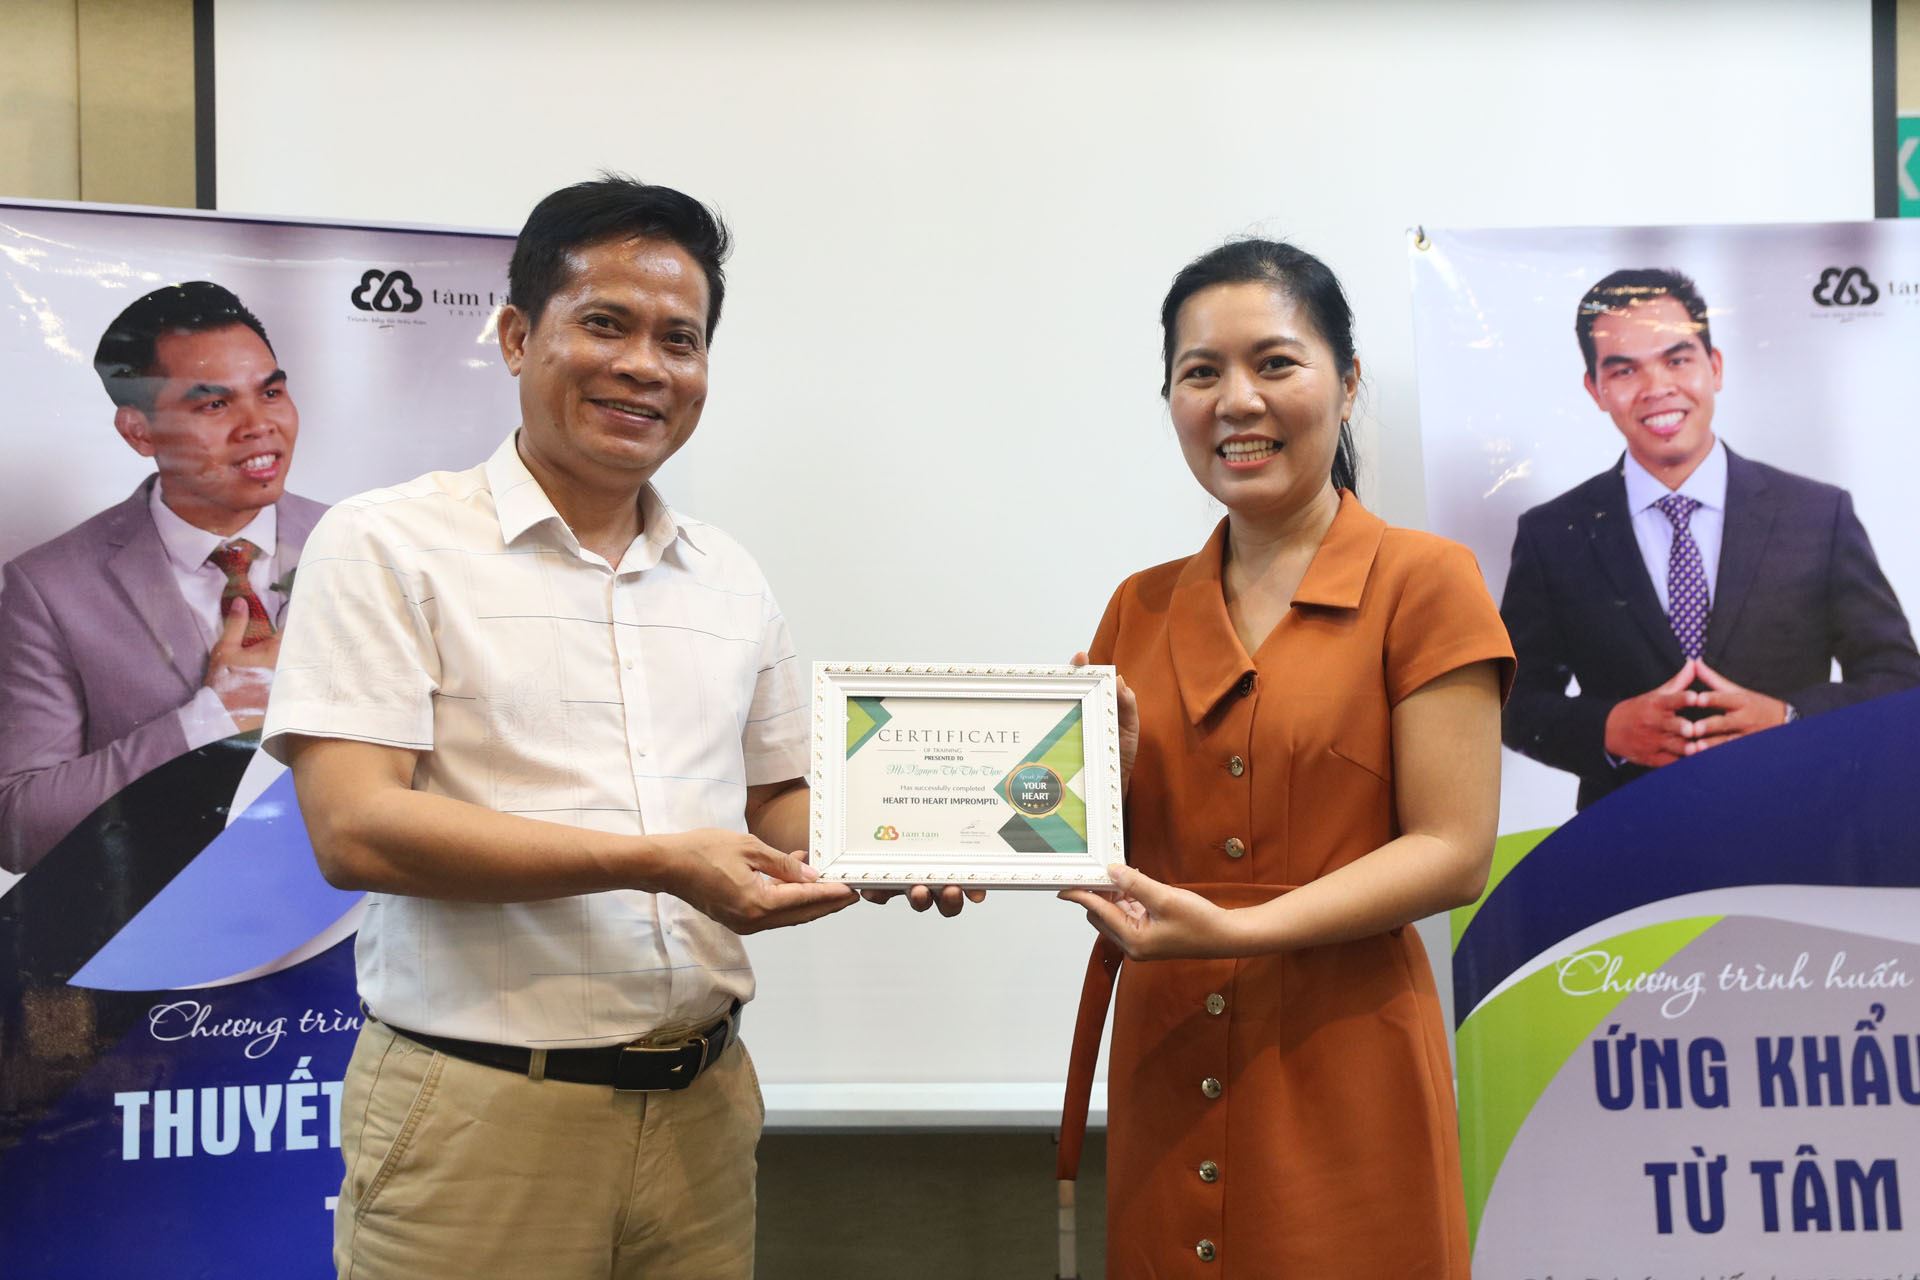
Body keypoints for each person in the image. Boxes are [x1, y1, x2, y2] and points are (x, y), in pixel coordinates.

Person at [262, 177, 964, 1280]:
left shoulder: (727, 574)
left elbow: (781, 799)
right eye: (605, 323)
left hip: (703, 1111)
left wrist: (908, 840)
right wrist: (657, 862)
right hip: (479, 1118)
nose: (647, 365)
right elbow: (355, 830)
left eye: (680, 339)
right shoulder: (386, 542)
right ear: (515, 336)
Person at [1054, 240, 1512, 1276]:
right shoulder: (1138, 605)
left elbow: (1454, 850)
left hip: (1344, 1049)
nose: (1236, 401)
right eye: (1200, 372)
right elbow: (1100, 852)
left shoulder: (1425, 581)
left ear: (1347, 385)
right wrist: (1085, 793)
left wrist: (1242, 927)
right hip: (1168, 1047)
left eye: (1275, 363)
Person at [1499, 268, 1920, 810]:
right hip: (1625, 837)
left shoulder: (1817, 514)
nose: (1657, 388)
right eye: (1624, 370)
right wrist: (1606, 728)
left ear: (1714, 366)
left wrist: (1791, 720)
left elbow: (1899, 680)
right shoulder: (1553, 533)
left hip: (1799, 829)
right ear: (1595, 389)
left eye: (1677, 360)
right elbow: (1510, 701)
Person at [0, 281, 323, 874]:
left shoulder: (365, 543)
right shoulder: (48, 588)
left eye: (271, 392)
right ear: (138, 431)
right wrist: (216, 718)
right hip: (155, 919)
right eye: (215, 405)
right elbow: (21, 826)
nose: (258, 425)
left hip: (362, 915)